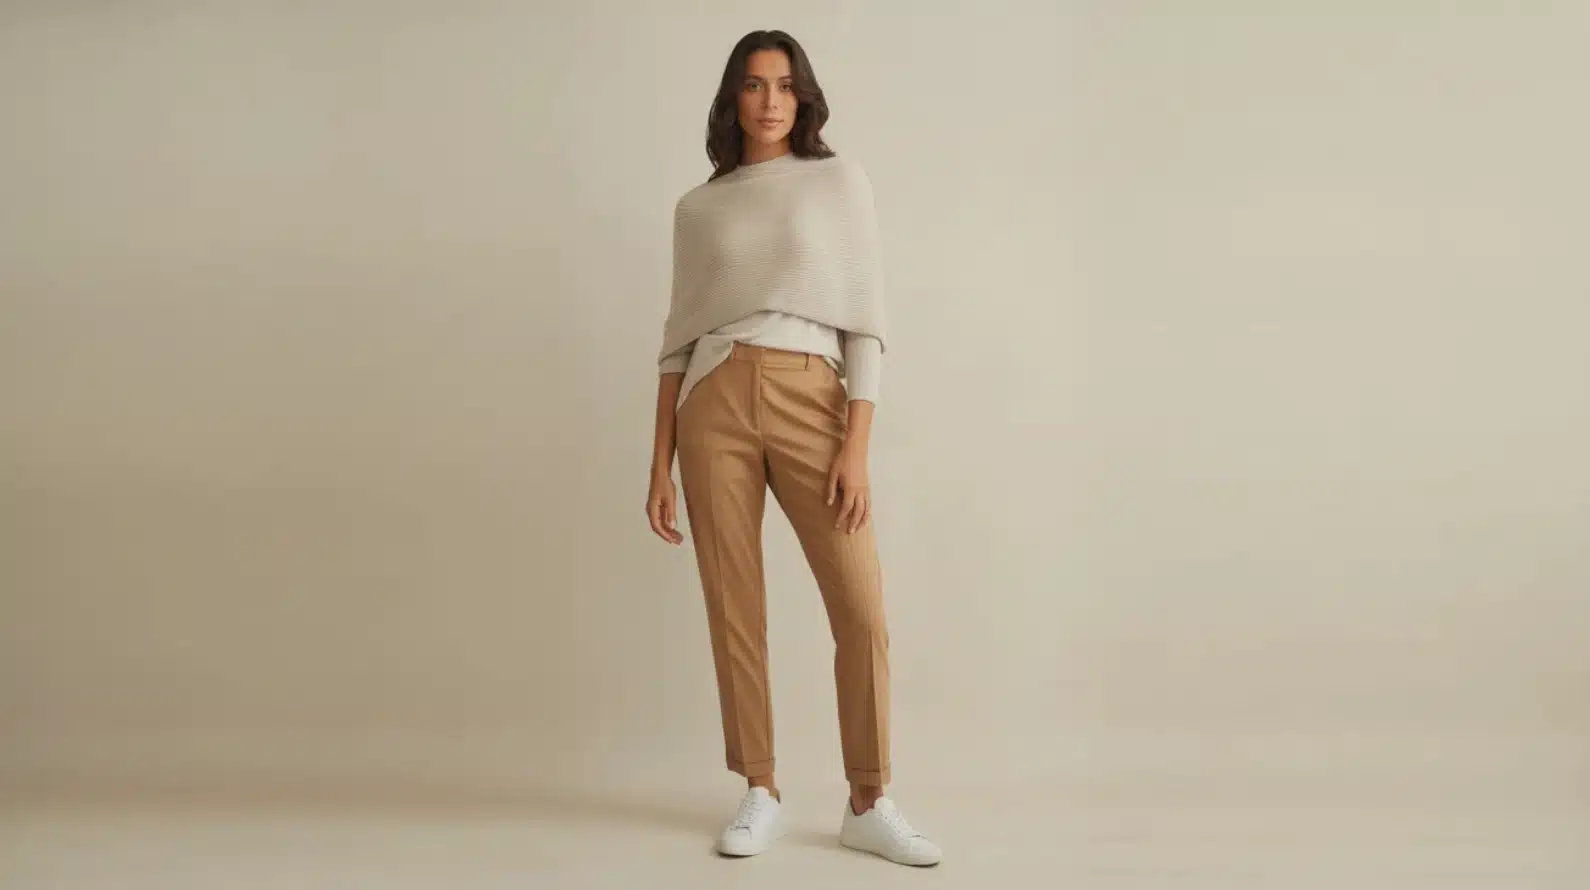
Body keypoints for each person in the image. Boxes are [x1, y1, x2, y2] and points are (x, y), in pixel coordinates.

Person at [645, 30, 941, 867]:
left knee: (862, 608)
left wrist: (858, 441)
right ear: (731, 99)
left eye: (784, 85)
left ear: (803, 97)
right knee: (734, 605)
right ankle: (760, 787)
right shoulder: (698, 208)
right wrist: (658, 461)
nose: (770, 101)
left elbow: (866, 322)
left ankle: (869, 798)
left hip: (813, 392)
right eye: (752, 85)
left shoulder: (837, 182)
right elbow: (674, 343)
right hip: (713, 398)